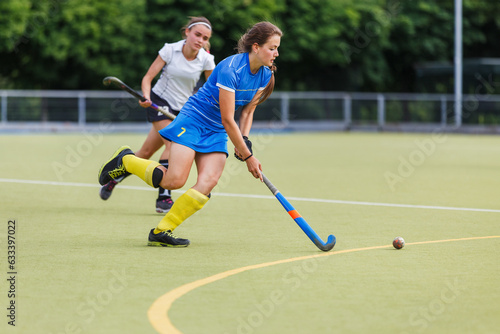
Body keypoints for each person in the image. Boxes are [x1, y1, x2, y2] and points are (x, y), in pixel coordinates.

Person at [98, 21, 282, 247]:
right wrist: (248, 156)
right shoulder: (230, 68)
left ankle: (161, 231)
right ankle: (126, 160)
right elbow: (227, 118)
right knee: (174, 180)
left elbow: (247, 111)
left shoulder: (265, 76)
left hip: (215, 131)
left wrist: (244, 140)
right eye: (272, 48)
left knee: (209, 181)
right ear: (256, 47)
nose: (276, 53)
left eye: (277, 48)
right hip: (194, 120)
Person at [99, 16, 215, 214]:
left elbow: (212, 92)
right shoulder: (170, 50)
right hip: (159, 102)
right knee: (173, 145)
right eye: (197, 35)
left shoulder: (206, 59)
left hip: (183, 110)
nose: (200, 40)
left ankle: (115, 175)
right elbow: (148, 78)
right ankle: (164, 197)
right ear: (187, 32)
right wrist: (145, 95)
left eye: (205, 38)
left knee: (144, 154)